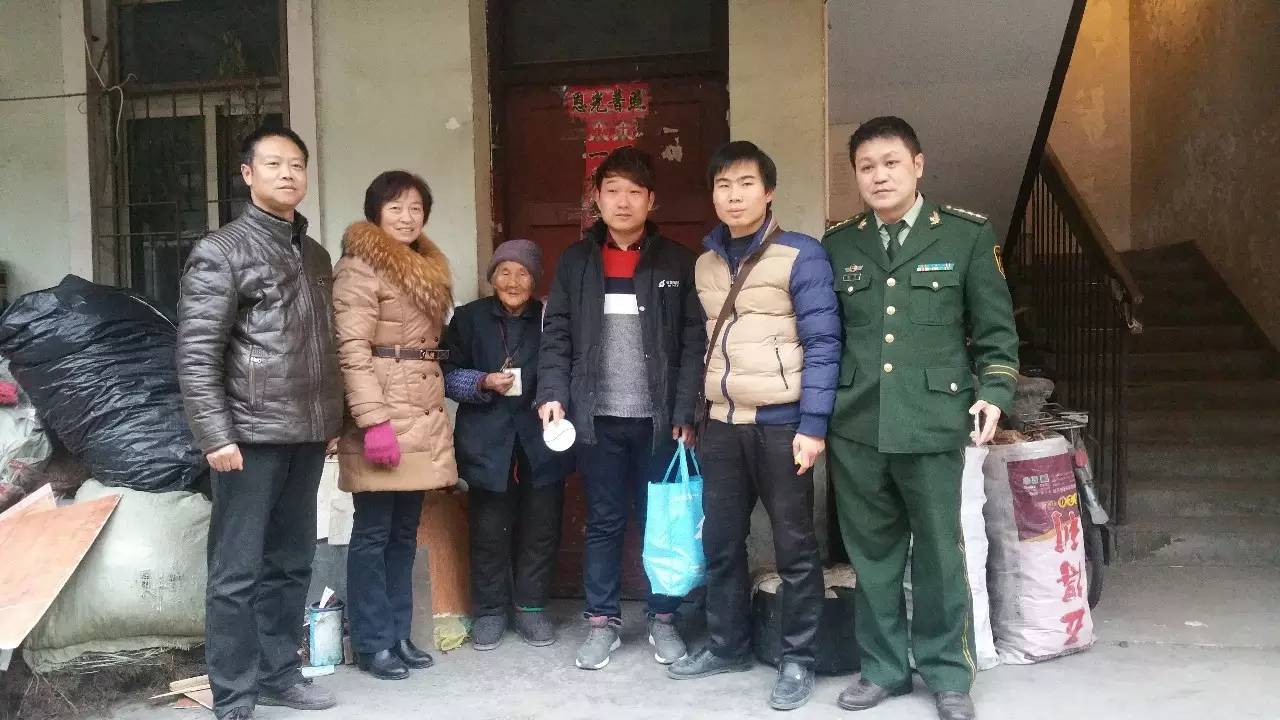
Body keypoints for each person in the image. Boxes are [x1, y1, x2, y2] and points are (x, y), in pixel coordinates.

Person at [822, 116, 1019, 720]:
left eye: (890, 163)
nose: (879, 176)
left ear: (918, 165)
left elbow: (996, 332)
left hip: (933, 422)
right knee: (872, 556)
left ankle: (948, 674)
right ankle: (883, 669)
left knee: (938, 554)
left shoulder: (965, 235)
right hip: (858, 425)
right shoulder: (840, 243)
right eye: (866, 167)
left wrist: (995, 392)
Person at [177, 126, 342, 720]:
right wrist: (215, 435)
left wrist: (332, 419)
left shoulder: (314, 254)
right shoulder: (221, 251)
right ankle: (233, 694)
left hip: (306, 433)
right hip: (247, 438)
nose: (287, 174)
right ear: (247, 174)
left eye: (296, 164)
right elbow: (197, 353)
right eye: (273, 164)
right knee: (237, 572)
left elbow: (321, 345)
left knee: (292, 562)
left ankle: (279, 675)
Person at [667, 141, 839, 711]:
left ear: (769, 192)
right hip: (720, 423)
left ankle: (798, 658)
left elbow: (823, 343)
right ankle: (728, 646)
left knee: (794, 545)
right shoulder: (705, 263)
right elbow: (697, 344)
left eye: (746, 184)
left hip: (783, 424)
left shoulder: (801, 255)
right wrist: (689, 413)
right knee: (720, 541)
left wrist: (814, 424)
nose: (734, 195)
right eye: (723, 185)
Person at [535, 146, 706, 671]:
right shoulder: (576, 261)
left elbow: (693, 343)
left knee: (662, 522)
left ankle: (663, 617)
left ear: (651, 200)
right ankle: (601, 621)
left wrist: (685, 411)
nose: (624, 201)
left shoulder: (677, 261)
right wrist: (552, 393)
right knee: (605, 521)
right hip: (597, 419)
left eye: (634, 192)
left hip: (660, 422)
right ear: (598, 198)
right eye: (613, 191)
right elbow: (556, 333)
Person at [331, 170, 457, 680]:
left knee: (405, 532)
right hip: (383, 408)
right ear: (375, 212)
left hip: (420, 407)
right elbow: (352, 351)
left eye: (416, 208)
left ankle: (398, 633)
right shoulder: (359, 268)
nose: (407, 217)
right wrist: (373, 422)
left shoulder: (424, 267)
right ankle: (371, 641)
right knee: (374, 532)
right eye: (395, 207)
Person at [442, 239, 566, 651]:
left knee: (541, 525)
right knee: (488, 529)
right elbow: (446, 374)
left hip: (541, 437)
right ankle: (491, 612)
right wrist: (481, 381)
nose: (513, 282)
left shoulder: (551, 318)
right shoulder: (469, 319)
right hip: (487, 439)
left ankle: (531, 608)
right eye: (504, 272)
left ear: (536, 279)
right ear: (491, 277)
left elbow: (568, 366)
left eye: (523, 273)